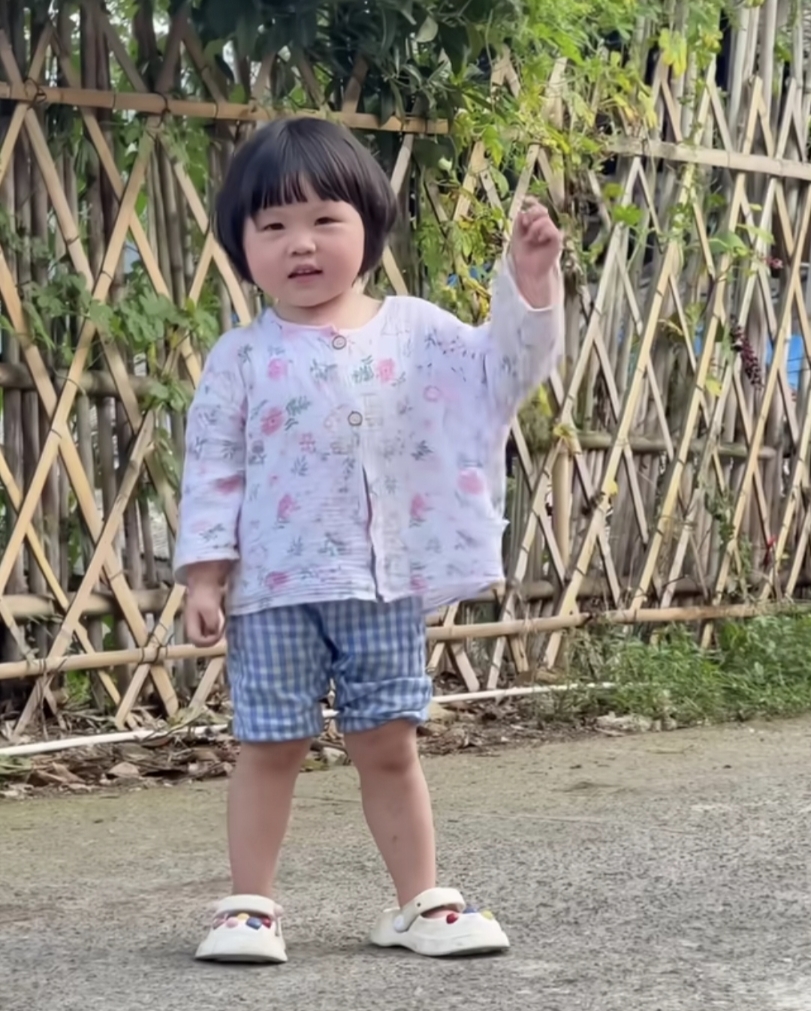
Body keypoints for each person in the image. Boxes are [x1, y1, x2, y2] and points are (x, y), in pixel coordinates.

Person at [175, 117, 563, 964]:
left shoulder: (414, 331)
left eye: (325, 220)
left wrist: (529, 286)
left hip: (383, 584)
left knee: (388, 743)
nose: (301, 243)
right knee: (269, 745)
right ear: (241, 245)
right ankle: (250, 908)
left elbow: (500, 376)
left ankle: (419, 901)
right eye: (273, 225)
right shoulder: (240, 358)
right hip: (271, 591)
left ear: (369, 226)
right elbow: (213, 470)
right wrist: (204, 577)